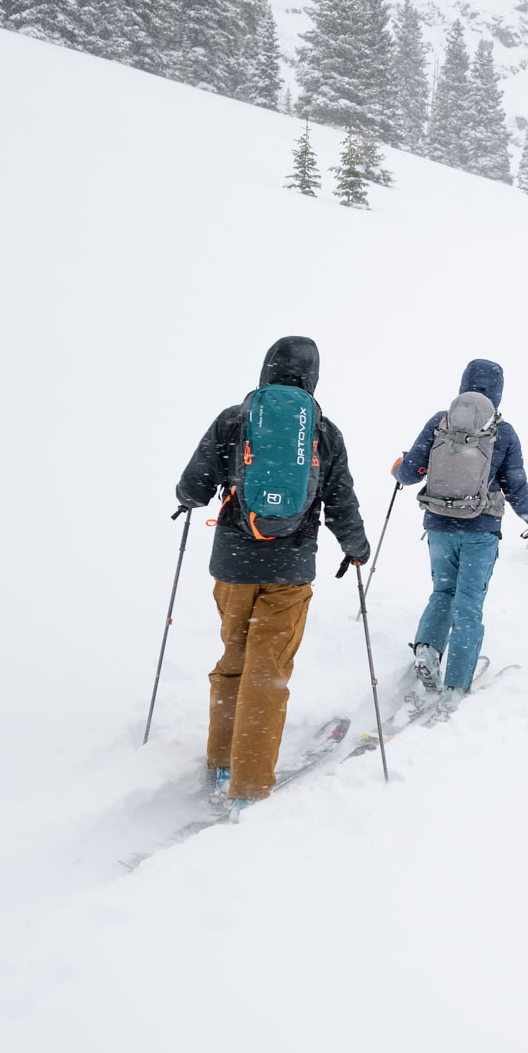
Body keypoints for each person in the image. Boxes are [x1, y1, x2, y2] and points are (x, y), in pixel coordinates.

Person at [175, 336, 368, 812]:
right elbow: (340, 500)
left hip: (232, 565)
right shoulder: (323, 431)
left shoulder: (234, 419)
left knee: (234, 659)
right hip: (290, 569)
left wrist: (188, 499)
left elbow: (194, 485)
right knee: (269, 674)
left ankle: (221, 761)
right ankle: (249, 788)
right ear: (312, 377)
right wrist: (356, 547)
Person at [393, 359, 528, 702]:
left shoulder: (440, 421)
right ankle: (455, 684)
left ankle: (428, 652)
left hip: (439, 525)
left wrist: (399, 469)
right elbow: (516, 488)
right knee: (469, 602)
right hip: (480, 528)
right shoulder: (503, 432)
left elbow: (410, 472)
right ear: (499, 392)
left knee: (443, 591)